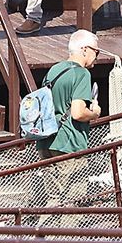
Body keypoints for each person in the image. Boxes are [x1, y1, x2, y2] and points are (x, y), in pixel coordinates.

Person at [38, 30, 102, 206]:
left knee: (53, 199)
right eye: (96, 52)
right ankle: (67, 226)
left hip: (46, 141)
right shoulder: (82, 74)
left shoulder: (54, 70)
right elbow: (78, 113)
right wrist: (95, 113)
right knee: (72, 202)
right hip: (69, 143)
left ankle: (45, 225)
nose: (97, 57)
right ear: (84, 49)